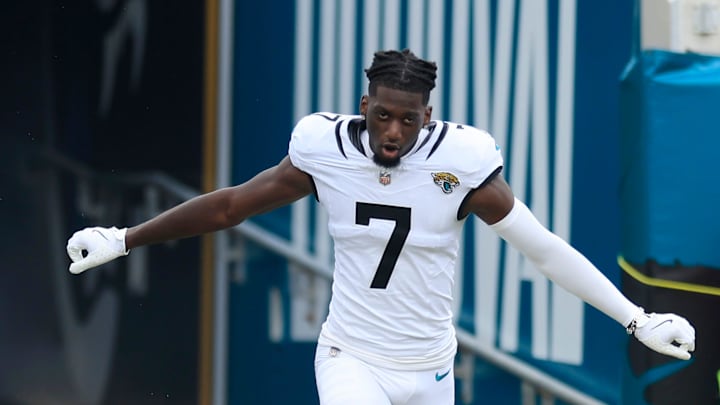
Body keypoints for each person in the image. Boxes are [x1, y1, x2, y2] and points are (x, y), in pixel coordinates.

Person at [66, 49, 695, 405]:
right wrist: (124, 239)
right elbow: (231, 206)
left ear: (430, 115)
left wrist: (638, 319)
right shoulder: (323, 148)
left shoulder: (463, 162)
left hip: (432, 367)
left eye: (409, 120)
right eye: (384, 116)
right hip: (352, 357)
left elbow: (545, 251)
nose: (394, 133)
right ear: (364, 104)